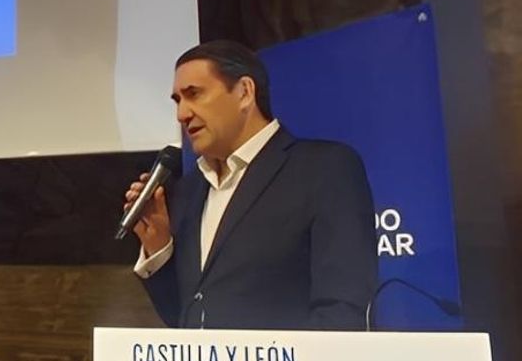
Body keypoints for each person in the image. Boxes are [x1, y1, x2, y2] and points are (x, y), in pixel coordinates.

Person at [124, 40, 376, 330]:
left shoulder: (323, 168)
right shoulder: (189, 190)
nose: (182, 114)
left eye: (194, 94)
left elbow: (341, 308)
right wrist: (159, 246)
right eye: (177, 100)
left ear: (245, 92)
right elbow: (188, 318)